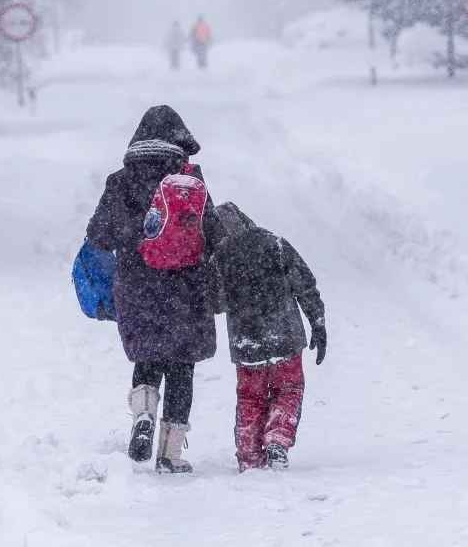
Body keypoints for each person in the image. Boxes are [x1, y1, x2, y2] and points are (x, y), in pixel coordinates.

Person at [86, 105, 222, 474]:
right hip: (186, 288)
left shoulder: (119, 181)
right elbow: (214, 233)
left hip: (136, 286)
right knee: (181, 367)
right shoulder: (189, 180)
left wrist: (131, 240)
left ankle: (144, 413)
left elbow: (98, 234)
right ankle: (170, 453)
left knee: (147, 358)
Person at [214, 202, 327, 472]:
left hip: (246, 342)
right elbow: (305, 284)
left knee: (249, 398)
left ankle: (249, 456)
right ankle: (278, 438)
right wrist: (318, 322)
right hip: (285, 336)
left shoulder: (219, 257)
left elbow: (215, 302)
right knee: (288, 389)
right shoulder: (274, 244)